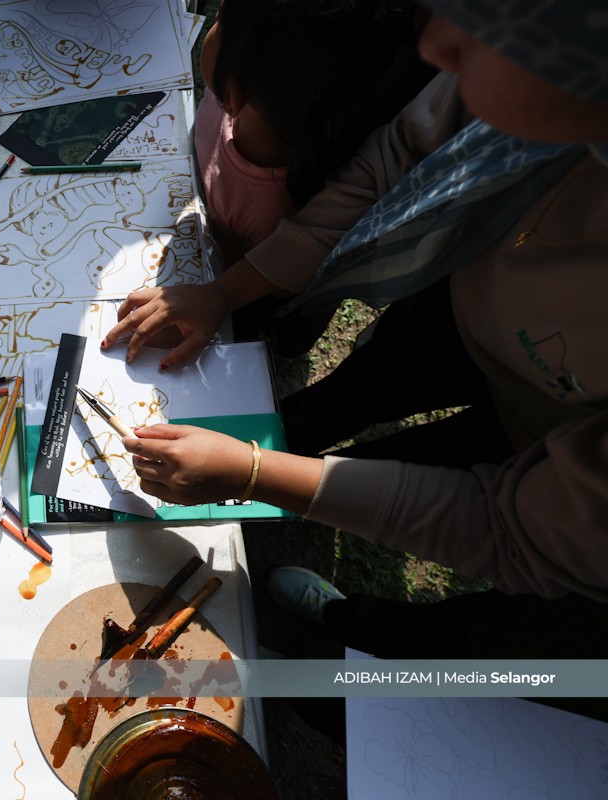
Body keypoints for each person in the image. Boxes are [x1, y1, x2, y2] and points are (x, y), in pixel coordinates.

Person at [101, 0, 608, 669]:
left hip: (544, 434)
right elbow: (398, 156)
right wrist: (225, 292)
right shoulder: (554, 84)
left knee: (438, 477)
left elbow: (508, 527)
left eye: (495, 32)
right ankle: (292, 458)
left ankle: (337, 637)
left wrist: (254, 472)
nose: (434, 45)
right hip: (464, 316)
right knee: (347, 399)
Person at [192, 0, 433, 353]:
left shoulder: (275, 212)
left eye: (221, 17)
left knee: (261, 340)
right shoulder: (263, 100)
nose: (215, 18)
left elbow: (248, 277)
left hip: (249, 302)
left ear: (235, 91)